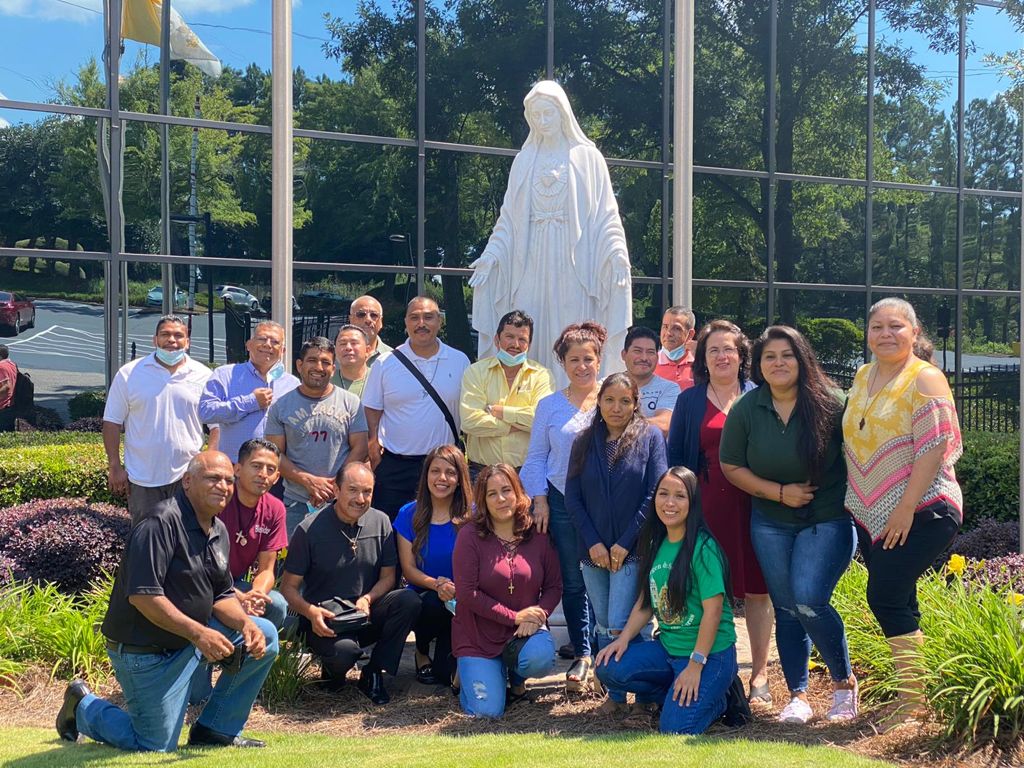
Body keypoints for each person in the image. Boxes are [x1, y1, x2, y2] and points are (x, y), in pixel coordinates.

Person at [56, 451, 277, 752]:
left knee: (265, 634)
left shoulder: (217, 530)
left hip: (184, 640)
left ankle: (215, 730)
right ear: (187, 481)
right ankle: (84, 707)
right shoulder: (158, 523)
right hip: (145, 652)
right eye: (213, 478)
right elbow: (144, 598)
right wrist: (199, 634)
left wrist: (245, 623)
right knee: (154, 743)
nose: (222, 486)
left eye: (228, 480)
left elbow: (222, 594)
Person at [720, 325, 857, 723]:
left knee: (809, 599)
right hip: (771, 521)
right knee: (786, 607)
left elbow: (861, 455)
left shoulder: (832, 403)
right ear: (758, 365)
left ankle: (844, 684)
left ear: (802, 359)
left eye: (787, 355)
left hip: (826, 516)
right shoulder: (747, 408)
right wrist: (779, 493)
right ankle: (797, 695)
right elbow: (731, 466)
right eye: (769, 357)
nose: (778, 363)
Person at [842, 298, 963, 728]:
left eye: (896, 326)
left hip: (925, 508)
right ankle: (916, 696)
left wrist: (905, 508)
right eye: (877, 327)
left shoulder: (925, 378)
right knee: (900, 597)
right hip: (875, 513)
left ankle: (912, 703)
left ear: (914, 332)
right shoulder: (863, 374)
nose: (886, 334)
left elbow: (935, 447)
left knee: (885, 595)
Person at [468, 80, 631, 379]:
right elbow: (508, 220)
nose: (543, 122)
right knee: (531, 326)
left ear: (562, 113)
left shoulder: (589, 158)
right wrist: (491, 255)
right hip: (531, 258)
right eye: (536, 115)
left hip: (574, 262)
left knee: (572, 328)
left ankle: (574, 394)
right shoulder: (524, 161)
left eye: (548, 114)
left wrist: (618, 253)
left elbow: (607, 214)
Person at [666, 320, 771, 706]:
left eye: (729, 349)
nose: (722, 356)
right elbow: (676, 458)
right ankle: (712, 670)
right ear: (703, 359)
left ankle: (759, 674)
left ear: (742, 356)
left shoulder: (761, 395)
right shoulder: (689, 401)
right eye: (713, 350)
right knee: (710, 593)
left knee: (759, 591)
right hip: (706, 508)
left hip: (756, 505)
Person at [594, 467, 738, 734]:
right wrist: (623, 639)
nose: (669, 503)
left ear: (692, 502)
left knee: (675, 728)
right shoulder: (655, 542)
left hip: (709, 656)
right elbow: (646, 601)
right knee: (608, 667)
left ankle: (722, 698)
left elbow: (713, 612)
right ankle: (675, 691)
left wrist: (696, 666)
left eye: (680, 496)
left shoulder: (703, 548)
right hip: (669, 650)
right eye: (663, 494)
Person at [565, 373, 667, 713]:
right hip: (592, 550)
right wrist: (593, 541)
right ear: (599, 401)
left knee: (625, 622)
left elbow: (655, 493)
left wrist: (625, 542)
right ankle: (618, 695)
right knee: (604, 623)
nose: (617, 407)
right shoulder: (584, 440)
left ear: (636, 403)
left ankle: (648, 695)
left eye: (625, 400)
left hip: (634, 549)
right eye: (610, 399)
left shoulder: (650, 437)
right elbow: (573, 497)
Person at [280, 463, 421, 705]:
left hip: (365, 612)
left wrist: (368, 598)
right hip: (325, 619)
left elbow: (389, 577)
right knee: (343, 654)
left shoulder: (381, 522)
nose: (360, 498)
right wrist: (311, 612)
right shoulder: (309, 529)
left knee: (409, 600)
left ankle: (373, 671)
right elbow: (288, 588)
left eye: (367, 492)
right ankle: (332, 672)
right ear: (336, 490)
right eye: (353, 490)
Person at [520, 321, 605, 690]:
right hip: (562, 499)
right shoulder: (550, 406)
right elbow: (536, 457)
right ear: (563, 364)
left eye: (589, 359)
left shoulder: (613, 398)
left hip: (606, 502)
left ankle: (609, 651)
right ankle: (584, 654)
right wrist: (539, 499)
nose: (582, 366)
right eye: (574, 360)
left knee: (608, 576)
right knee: (574, 580)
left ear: (599, 361)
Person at [451, 463, 562, 718]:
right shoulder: (469, 536)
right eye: (492, 494)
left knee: (540, 657)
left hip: (523, 634)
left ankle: (514, 677)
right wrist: (514, 617)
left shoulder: (537, 533)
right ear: (483, 500)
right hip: (478, 636)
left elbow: (555, 586)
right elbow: (467, 594)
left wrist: (538, 615)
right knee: (487, 713)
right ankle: (469, 673)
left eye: (506, 490)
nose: (501, 499)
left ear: (518, 492)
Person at [102, 315, 220, 524]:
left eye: (178, 335)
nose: (172, 340)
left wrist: (208, 460)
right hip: (142, 479)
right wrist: (114, 466)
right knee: (147, 544)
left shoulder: (203, 375)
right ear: (154, 340)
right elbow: (111, 422)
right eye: (165, 334)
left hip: (188, 478)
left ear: (188, 342)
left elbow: (217, 425)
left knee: (187, 544)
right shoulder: (129, 374)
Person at [363, 296, 470, 520]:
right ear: (406, 323)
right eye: (414, 317)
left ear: (439, 321)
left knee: (443, 529)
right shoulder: (385, 363)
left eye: (428, 317)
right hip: (395, 466)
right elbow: (372, 408)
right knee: (391, 532)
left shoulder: (460, 361)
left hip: (443, 466)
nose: (421, 323)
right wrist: (373, 444)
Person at [264, 337, 368, 537]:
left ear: (333, 368)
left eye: (326, 362)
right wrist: (308, 481)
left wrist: (334, 484)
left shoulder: (351, 403)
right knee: (291, 564)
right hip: (296, 503)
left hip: (341, 502)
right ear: (299, 365)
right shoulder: (281, 406)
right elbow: (274, 455)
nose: (319, 367)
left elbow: (360, 448)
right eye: (312, 361)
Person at [394, 444, 472, 688]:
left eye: (450, 472)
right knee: (426, 602)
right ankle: (421, 649)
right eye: (435, 471)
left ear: (460, 479)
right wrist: (437, 584)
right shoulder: (409, 513)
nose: (442, 478)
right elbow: (408, 569)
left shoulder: (473, 516)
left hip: (463, 602)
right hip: (426, 596)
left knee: (444, 677)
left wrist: (459, 588)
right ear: (425, 475)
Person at [459, 310, 556, 479]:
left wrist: (500, 411)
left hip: (526, 472)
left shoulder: (542, 376)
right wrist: (515, 425)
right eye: (509, 337)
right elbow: (469, 422)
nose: (515, 344)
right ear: (497, 339)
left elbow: (543, 419)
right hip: (481, 472)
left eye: (522, 339)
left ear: (529, 344)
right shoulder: (476, 372)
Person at [199, 321, 299, 463]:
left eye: (275, 342)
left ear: (282, 350)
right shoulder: (225, 374)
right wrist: (250, 402)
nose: (268, 344)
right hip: (234, 467)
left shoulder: (292, 384)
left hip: (275, 470)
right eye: (262, 339)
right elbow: (206, 412)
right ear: (249, 345)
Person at [222, 439, 289, 630]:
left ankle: (246, 655)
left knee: (277, 605)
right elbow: (199, 568)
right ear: (237, 469)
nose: (263, 475)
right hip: (204, 583)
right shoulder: (220, 498)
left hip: (239, 584)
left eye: (270, 469)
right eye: (256, 466)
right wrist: (236, 596)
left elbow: (267, 569)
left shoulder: (275, 509)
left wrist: (256, 595)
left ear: (277, 477)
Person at [621, 325, 679, 435]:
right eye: (637, 351)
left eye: (650, 352)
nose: (644, 358)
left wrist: (618, 425)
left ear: (657, 357)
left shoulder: (669, 388)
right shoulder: (607, 385)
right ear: (624, 354)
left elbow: (664, 425)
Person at [655, 306, 697, 391]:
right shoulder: (650, 363)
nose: (668, 333)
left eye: (676, 328)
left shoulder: (700, 364)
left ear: (690, 334)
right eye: (665, 327)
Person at [349, 294, 393, 365]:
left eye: (374, 315)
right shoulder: (335, 356)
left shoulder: (393, 358)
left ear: (381, 322)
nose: (368, 320)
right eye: (361, 314)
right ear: (351, 320)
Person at [333, 324, 372, 397]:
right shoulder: (326, 381)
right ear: (335, 350)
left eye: (354, 343)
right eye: (343, 343)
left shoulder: (379, 379)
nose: (348, 347)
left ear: (367, 350)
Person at [0, 344, 17, 430]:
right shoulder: (12, 364)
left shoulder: (1, 366)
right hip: (10, 405)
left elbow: (6, 386)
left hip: (2, 407)